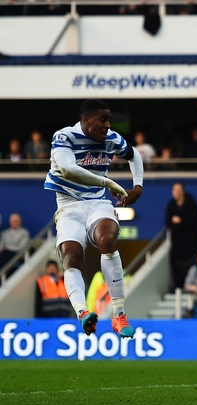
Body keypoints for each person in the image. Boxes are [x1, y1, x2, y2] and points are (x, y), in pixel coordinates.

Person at [44, 99, 143, 338]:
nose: (108, 125)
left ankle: (119, 314)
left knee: (108, 239)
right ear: (86, 120)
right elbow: (68, 169)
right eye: (103, 120)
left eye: (109, 120)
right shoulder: (64, 137)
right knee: (72, 256)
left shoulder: (112, 139)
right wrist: (108, 182)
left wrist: (137, 187)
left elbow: (134, 155)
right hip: (68, 206)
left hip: (98, 203)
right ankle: (82, 312)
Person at [165, 182, 197, 290]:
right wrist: (177, 224)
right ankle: (178, 286)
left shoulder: (192, 204)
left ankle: (188, 286)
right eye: (175, 190)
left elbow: (194, 222)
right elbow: (169, 223)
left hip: (191, 243)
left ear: (183, 191)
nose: (177, 192)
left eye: (179, 190)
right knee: (176, 264)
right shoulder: (171, 205)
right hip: (177, 242)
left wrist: (181, 221)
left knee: (189, 264)